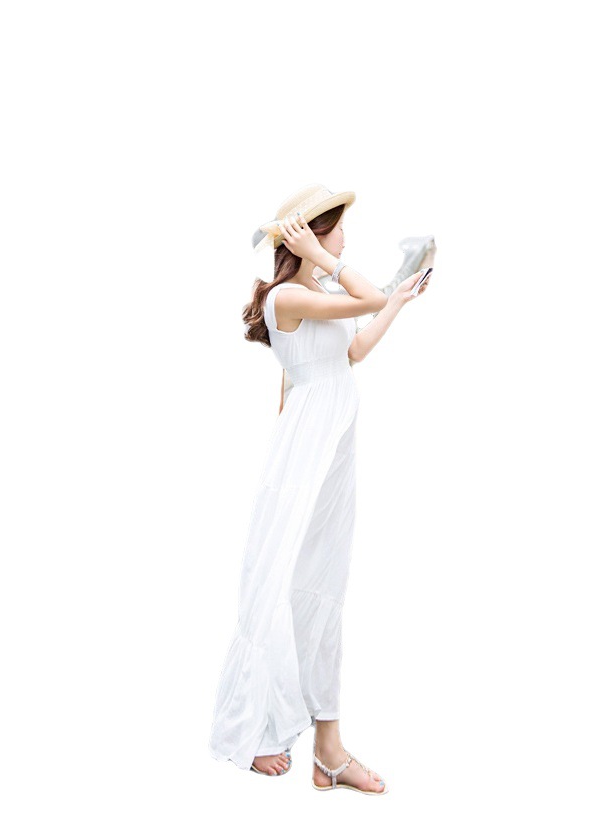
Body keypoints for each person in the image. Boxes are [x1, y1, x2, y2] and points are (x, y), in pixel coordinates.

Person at [208, 184, 430, 795]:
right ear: (311, 236)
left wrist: (398, 303)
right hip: (307, 446)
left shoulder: (323, 295)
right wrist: (333, 264)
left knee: (325, 583)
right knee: (282, 580)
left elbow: (350, 351)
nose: (344, 239)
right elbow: (367, 294)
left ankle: (327, 750)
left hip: (333, 441)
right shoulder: (288, 296)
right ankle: (256, 730)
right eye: (336, 229)